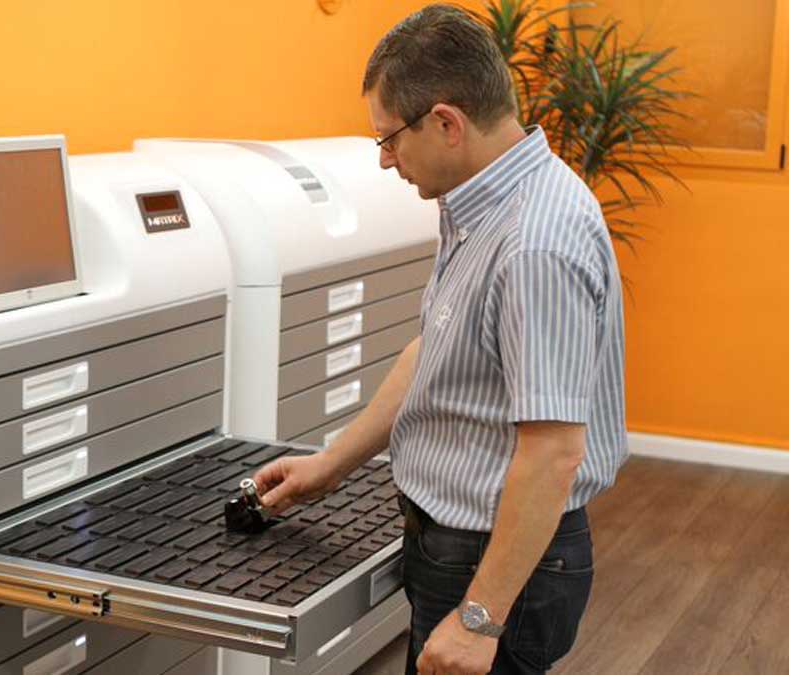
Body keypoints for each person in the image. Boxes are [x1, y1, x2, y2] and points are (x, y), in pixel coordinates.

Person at [253, 5, 627, 674]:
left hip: (496, 563)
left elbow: (553, 454)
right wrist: (332, 464)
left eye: (390, 138)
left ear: (448, 123)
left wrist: (480, 615)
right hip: (461, 550)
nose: (385, 159)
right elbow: (435, 350)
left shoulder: (533, 241)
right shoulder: (481, 203)